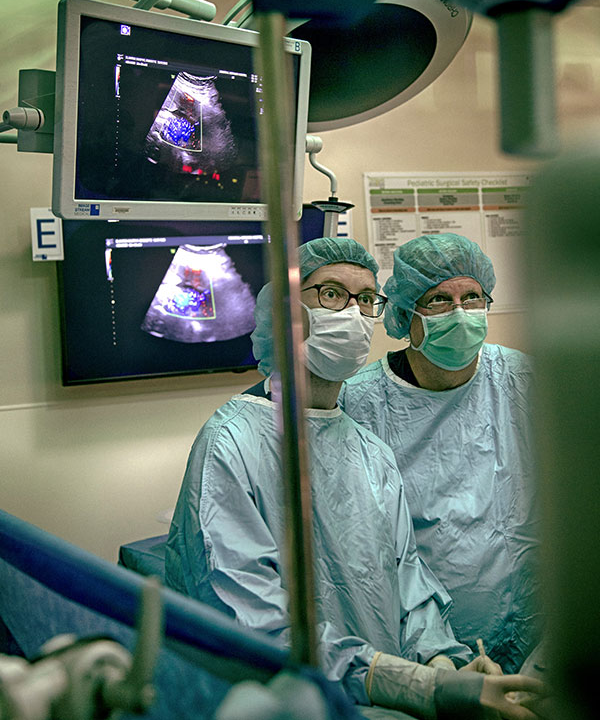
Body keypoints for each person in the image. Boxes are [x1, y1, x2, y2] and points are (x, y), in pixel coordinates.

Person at [166, 237, 545, 718]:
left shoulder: (369, 449)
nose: (352, 312)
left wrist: (444, 663)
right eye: (331, 294)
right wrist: (407, 682)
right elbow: (245, 617)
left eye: (366, 298)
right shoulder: (232, 443)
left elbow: (409, 582)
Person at [338, 233, 540, 675]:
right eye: (438, 300)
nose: (460, 313)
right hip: (418, 649)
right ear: (404, 314)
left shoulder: (523, 381)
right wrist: (435, 664)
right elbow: (364, 552)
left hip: (538, 632)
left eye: (472, 298)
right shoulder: (359, 404)